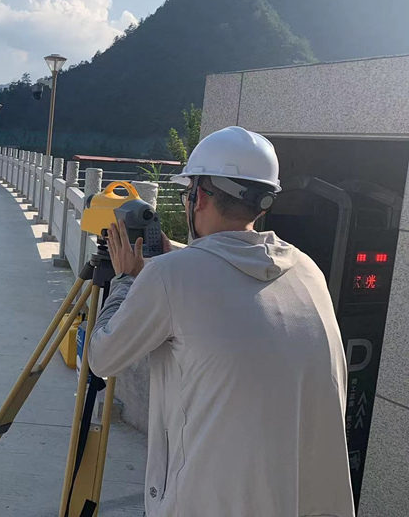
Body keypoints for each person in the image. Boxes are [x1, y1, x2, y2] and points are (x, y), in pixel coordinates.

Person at [89, 126, 354, 517]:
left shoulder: (169, 277)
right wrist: (172, 260)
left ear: (198, 197)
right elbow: (228, 277)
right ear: (261, 205)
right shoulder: (307, 270)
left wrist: (129, 278)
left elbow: (101, 357)